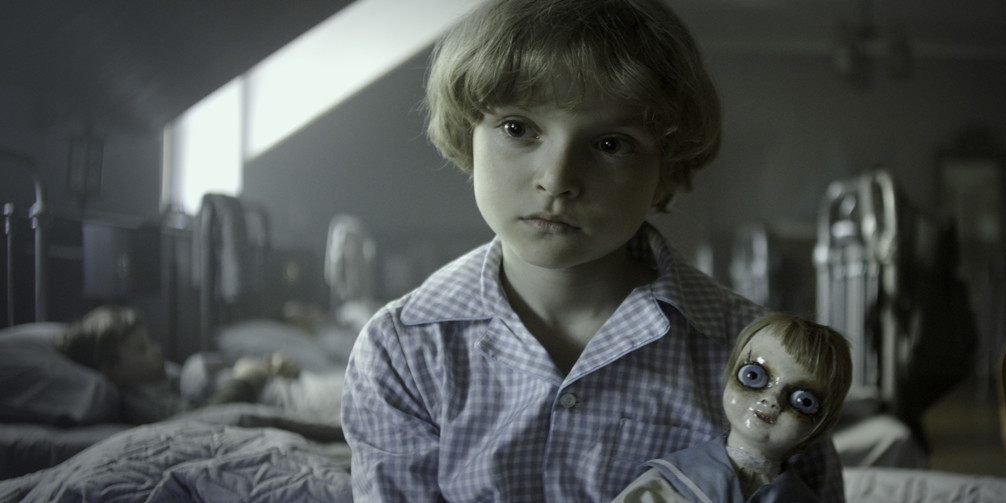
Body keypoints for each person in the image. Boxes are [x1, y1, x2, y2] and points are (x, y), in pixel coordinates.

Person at [340, 0, 846, 501]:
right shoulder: (402, 350)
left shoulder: (765, 359)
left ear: (667, 167)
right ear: (468, 132)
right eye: (518, 128)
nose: (557, 179)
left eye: (610, 144)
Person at [611, 313, 853, 502]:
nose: (772, 400)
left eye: (803, 401)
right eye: (754, 376)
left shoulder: (798, 498)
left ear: (821, 424)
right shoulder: (668, 485)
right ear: (728, 377)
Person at [54, 305, 299, 424]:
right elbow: (200, 422)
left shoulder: (162, 378)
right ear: (111, 371)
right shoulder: (141, 399)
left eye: (149, 342)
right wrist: (246, 380)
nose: (157, 349)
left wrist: (266, 367)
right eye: (141, 349)